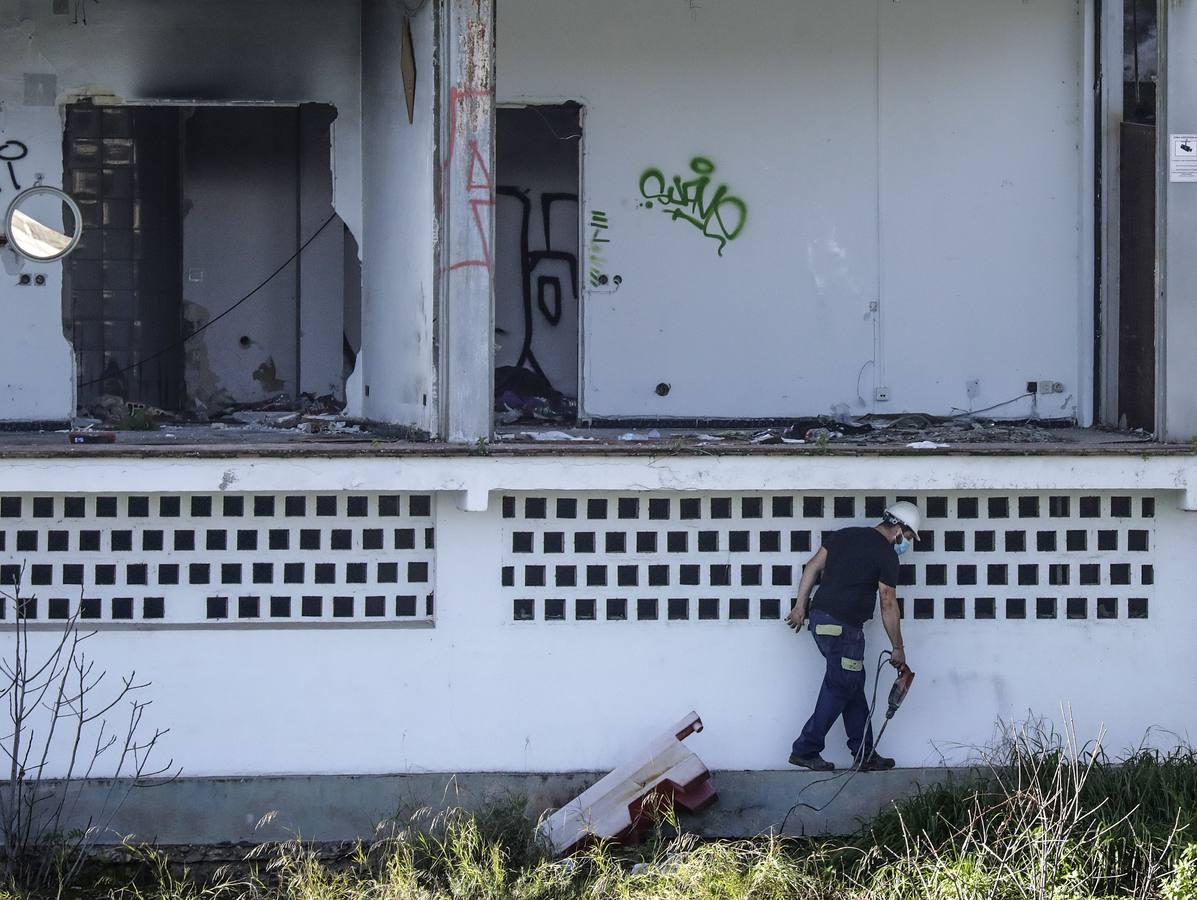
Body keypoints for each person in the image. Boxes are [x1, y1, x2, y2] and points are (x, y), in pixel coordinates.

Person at [784, 501, 922, 772]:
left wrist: (801, 606)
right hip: (844, 628)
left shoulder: (843, 535)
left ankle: (864, 753)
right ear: (897, 527)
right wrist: (898, 647)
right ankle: (805, 749)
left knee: (852, 685)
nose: (905, 543)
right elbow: (887, 601)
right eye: (906, 537)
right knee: (840, 686)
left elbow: (811, 567)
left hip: (822, 621)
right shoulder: (886, 554)